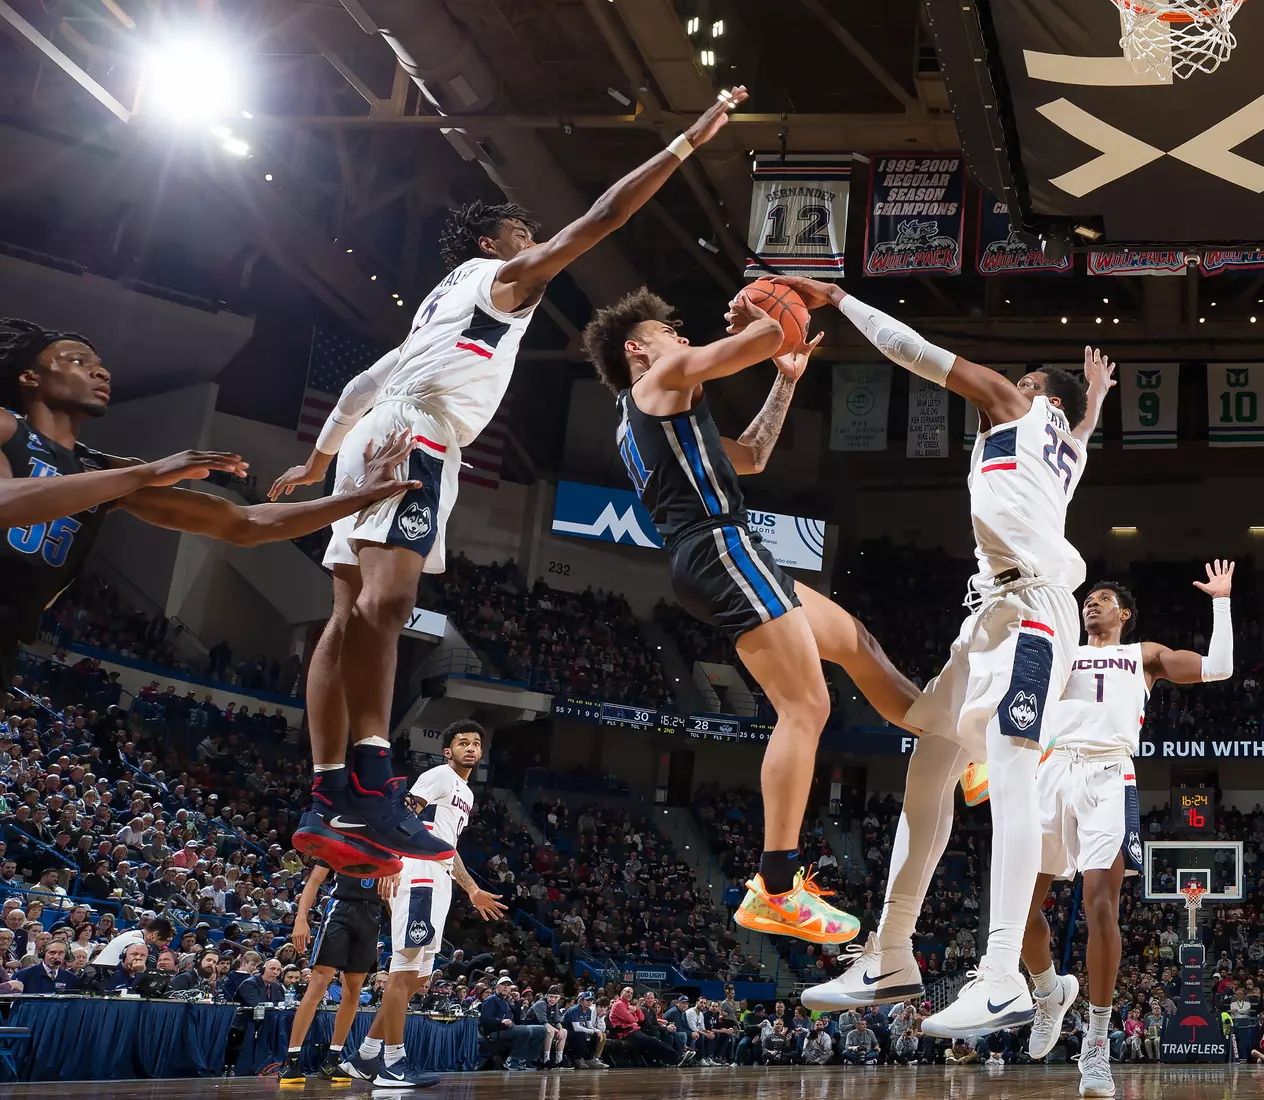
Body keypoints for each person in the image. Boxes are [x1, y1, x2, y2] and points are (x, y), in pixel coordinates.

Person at [279, 89, 750, 881]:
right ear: (495, 240)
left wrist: (323, 460)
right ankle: (370, 778)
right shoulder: (499, 278)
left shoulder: (439, 308)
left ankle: (327, 792)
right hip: (417, 436)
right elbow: (600, 219)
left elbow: (366, 378)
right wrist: (683, 145)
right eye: (522, 233)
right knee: (388, 607)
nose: (536, 245)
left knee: (345, 612)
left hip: (378, 428)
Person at [782, 274, 1111, 1035]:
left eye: (1028, 383)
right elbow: (1084, 434)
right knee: (930, 756)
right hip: (994, 612)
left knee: (1013, 772)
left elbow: (916, 352)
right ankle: (892, 952)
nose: (1011, 386)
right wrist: (1092, 402)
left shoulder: (1020, 410)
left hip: (1031, 613)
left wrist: (839, 302)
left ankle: (1004, 977)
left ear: (1042, 399)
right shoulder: (1065, 446)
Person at [581, 288, 919, 943]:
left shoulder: (653, 414)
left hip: (721, 550)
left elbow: (753, 456)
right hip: (718, 545)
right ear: (637, 349)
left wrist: (785, 382)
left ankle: (944, 738)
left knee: (858, 645)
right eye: (671, 332)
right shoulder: (662, 377)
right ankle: (775, 887)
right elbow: (763, 339)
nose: (683, 339)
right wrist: (761, 318)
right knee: (807, 707)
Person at [0, 317, 424, 689]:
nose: (100, 371)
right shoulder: (6, 428)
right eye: (77, 361)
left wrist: (356, 497)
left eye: (100, 364)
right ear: (29, 377)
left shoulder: (102, 471)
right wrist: (144, 472)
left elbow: (246, 523)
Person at [1018, 566, 1236, 1093]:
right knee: (1019, 906)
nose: (1092, 603)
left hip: (1111, 774)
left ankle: (1096, 1045)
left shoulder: (1144, 654)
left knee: (1100, 906)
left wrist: (1222, 602)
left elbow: (1222, 667)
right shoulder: (1057, 648)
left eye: (1103, 598)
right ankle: (1048, 992)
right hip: (1051, 770)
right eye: (1087, 599)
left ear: (1124, 614)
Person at [339, 722, 505, 1088]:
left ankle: (366, 1056)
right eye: (462, 742)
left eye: (476, 743)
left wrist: (469, 888)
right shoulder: (440, 775)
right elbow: (402, 813)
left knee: (419, 978)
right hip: (418, 873)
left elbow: (447, 847)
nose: (471, 748)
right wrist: (390, 861)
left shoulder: (467, 793)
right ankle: (392, 1064)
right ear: (448, 751)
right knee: (404, 971)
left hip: (439, 877)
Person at [279, 863, 390, 1086]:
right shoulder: (341, 836)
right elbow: (314, 880)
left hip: (372, 916)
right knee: (319, 985)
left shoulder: (388, 845)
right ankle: (291, 1060)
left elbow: (392, 895)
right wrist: (301, 918)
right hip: (341, 910)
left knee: (353, 991)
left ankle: (333, 1058)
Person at [478, 975, 545, 1071]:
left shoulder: (507, 1001)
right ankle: (513, 1059)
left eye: (508, 985)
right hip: (496, 1031)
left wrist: (517, 1003)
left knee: (542, 1030)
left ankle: (528, 1060)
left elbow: (517, 1020)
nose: (505, 987)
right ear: (497, 987)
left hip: (511, 1028)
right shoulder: (491, 1000)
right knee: (525, 1030)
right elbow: (486, 1019)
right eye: (503, 985)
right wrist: (501, 1021)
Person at [91, 913, 174, 967]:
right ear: (155, 934)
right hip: (103, 980)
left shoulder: (132, 934)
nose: (165, 945)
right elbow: (135, 968)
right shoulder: (138, 943)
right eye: (164, 941)